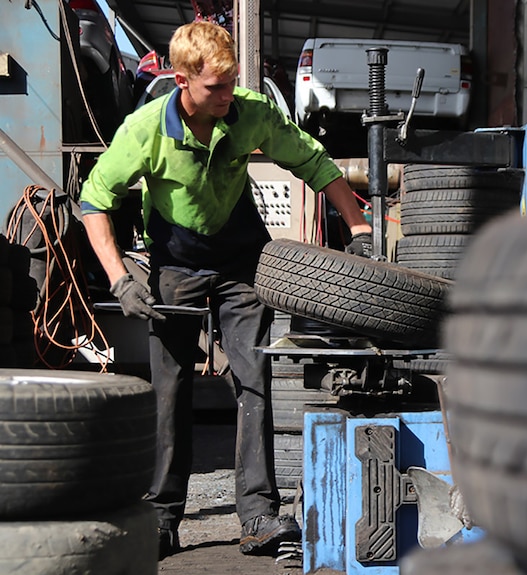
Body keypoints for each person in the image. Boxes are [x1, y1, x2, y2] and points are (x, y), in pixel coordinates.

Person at [79, 21, 373, 559]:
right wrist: (120, 278)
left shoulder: (250, 111)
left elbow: (314, 163)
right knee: (171, 389)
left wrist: (358, 227)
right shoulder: (144, 130)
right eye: (214, 86)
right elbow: (95, 200)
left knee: (253, 376)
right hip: (176, 263)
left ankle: (257, 514)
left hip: (240, 258)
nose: (226, 95)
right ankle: (164, 517)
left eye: (231, 81)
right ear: (182, 79)